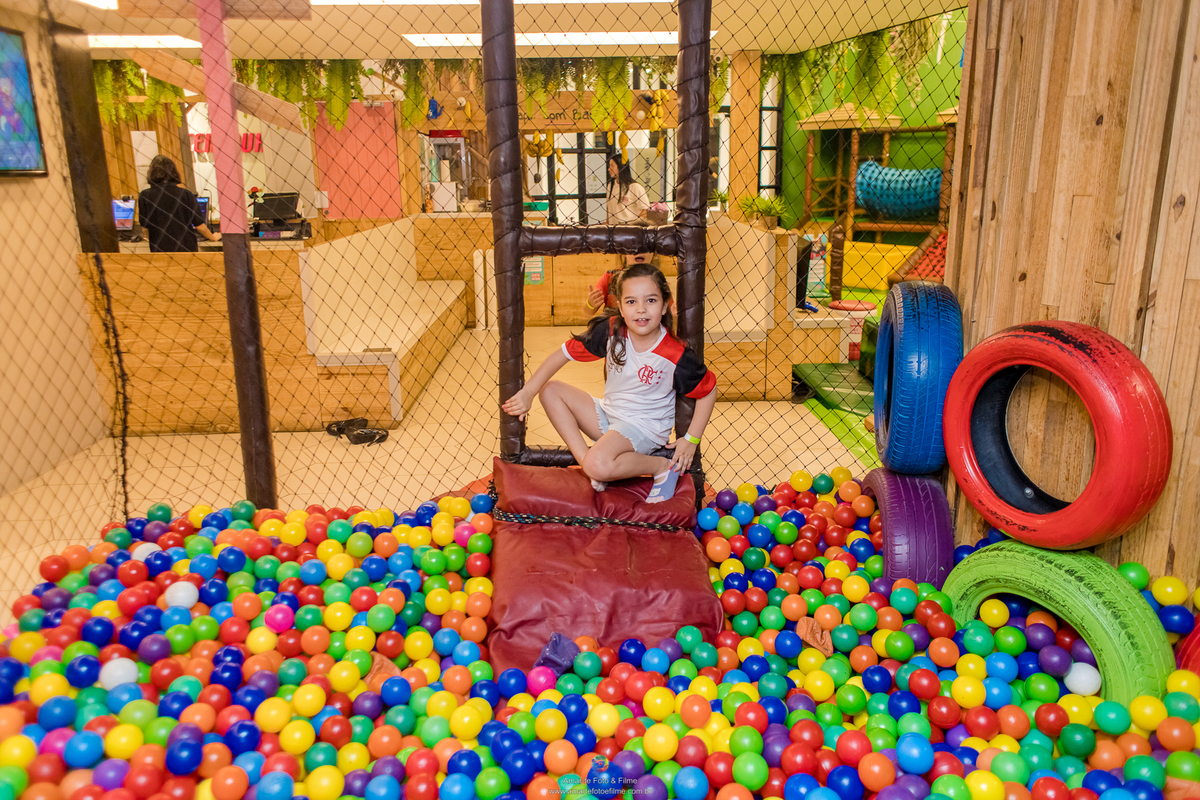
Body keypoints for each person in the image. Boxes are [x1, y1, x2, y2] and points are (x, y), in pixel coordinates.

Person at [503, 263, 718, 503]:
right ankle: (589, 464)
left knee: (598, 463)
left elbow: (709, 390)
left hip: (644, 427)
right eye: (631, 302)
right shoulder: (611, 331)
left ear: (665, 305)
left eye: (651, 300)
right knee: (551, 390)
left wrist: (691, 440)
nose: (641, 309)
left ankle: (661, 467)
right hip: (610, 414)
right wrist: (528, 393)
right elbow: (563, 353)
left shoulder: (675, 354)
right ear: (621, 307)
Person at [138, 155, 220, 253]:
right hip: (185, 248)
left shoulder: (145, 195)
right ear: (174, 172)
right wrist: (213, 237)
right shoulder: (186, 194)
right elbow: (200, 226)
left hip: (159, 249)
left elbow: (145, 227)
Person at [605, 156, 649, 224]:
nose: (609, 169)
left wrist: (634, 226)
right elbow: (609, 210)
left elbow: (644, 211)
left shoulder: (635, 187)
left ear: (621, 167)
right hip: (613, 228)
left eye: (612, 166)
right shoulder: (610, 185)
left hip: (629, 228)